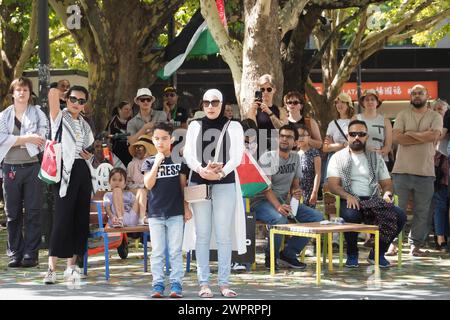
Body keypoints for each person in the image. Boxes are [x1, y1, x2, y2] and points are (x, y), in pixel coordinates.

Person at [183, 89, 246, 298]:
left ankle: (224, 282)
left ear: (222, 103)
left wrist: (220, 173)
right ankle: (203, 283)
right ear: (202, 105)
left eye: (215, 102)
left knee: (223, 235)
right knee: (201, 234)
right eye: (206, 102)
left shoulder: (234, 125)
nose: (210, 106)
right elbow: (188, 154)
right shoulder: (195, 125)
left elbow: (237, 156)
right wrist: (202, 171)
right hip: (199, 182)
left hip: (224, 182)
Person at [327, 120, 407, 268]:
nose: (357, 137)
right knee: (351, 216)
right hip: (350, 198)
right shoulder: (337, 157)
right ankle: (352, 254)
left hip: (373, 199)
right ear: (347, 136)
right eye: (353, 134)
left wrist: (387, 194)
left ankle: (377, 254)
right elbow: (332, 185)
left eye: (361, 134)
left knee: (399, 215)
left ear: (367, 136)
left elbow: (387, 183)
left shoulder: (375, 157)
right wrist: (347, 196)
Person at [251, 124, 323, 270]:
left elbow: (295, 185)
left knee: (317, 218)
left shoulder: (296, 158)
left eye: (289, 137)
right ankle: (271, 258)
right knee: (279, 219)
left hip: (283, 201)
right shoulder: (268, 157)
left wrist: (296, 193)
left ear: (295, 142)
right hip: (261, 201)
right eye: (282, 136)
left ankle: (288, 254)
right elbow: (266, 188)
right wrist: (279, 206)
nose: (284, 139)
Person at [44, 85, 94, 284]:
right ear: (67, 99)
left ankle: (71, 267)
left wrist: (88, 155)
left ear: (85, 105)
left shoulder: (84, 124)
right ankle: (51, 269)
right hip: (64, 171)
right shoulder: (59, 117)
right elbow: (52, 94)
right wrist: (64, 94)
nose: (76, 104)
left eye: (81, 101)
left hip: (82, 170)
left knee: (80, 219)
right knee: (62, 218)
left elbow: (85, 147)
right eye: (73, 99)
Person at [0, 77, 47, 268]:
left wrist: (14, 140)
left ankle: (31, 253)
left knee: (33, 212)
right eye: (18, 90)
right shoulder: (3, 116)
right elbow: (1, 139)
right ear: (13, 93)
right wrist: (27, 137)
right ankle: (15, 253)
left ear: (30, 93)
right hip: (10, 167)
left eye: (25, 90)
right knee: (12, 213)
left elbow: (41, 138)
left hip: (32, 167)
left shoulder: (37, 113)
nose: (21, 93)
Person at [392, 84, 443, 257]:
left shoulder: (435, 116)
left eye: (420, 93)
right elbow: (398, 138)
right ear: (410, 97)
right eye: (414, 93)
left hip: (426, 172)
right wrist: (423, 136)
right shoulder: (402, 114)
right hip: (401, 171)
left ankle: (415, 245)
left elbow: (435, 136)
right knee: (397, 210)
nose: (417, 96)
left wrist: (410, 134)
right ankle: (393, 244)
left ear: (427, 96)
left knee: (422, 211)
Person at [143, 122, 192, 298]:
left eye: (164, 138)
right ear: (152, 140)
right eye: (157, 139)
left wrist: (186, 207)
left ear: (171, 139)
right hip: (156, 213)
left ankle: (176, 284)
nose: (160, 142)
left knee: (175, 251)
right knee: (157, 251)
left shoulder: (179, 161)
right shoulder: (148, 161)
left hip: (175, 212)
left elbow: (183, 186)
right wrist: (157, 163)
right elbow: (148, 184)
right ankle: (157, 284)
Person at [246, 74, 288, 156]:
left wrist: (270, 112)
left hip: (277, 150)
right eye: (262, 89)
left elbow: (284, 130)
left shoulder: (281, 110)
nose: (265, 92)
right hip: (260, 150)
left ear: (274, 90)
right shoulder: (254, 110)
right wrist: (252, 110)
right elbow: (251, 132)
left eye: (269, 89)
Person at [352, 89, 393, 165]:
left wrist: (380, 153)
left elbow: (388, 145)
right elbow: (351, 141)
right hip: (359, 160)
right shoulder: (356, 118)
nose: (370, 102)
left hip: (380, 161)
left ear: (377, 102)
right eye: (367, 100)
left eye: (372, 99)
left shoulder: (385, 121)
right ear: (363, 103)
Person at [431, 99, 449, 252]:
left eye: (441, 109)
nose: (439, 111)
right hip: (437, 170)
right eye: (435, 109)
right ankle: (440, 238)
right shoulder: (431, 126)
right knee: (439, 205)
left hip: (446, 167)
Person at [127, 134, 156, 222]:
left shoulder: (154, 162)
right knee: (141, 191)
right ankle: (142, 218)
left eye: (140, 147)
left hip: (151, 192)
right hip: (135, 193)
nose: (137, 150)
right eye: (136, 147)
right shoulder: (132, 164)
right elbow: (128, 183)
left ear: (147, 149)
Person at [297, 125, 321, 208]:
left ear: (309, 137)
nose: (301, 138)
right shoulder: (295, 154)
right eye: (298, 136)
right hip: (298, 192)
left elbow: (318, 174)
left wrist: (315, 192)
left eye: (303, 135)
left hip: (310, 191)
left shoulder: (314, 152)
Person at [106, 101, 133, 166]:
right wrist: (106, 156)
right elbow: (107, 137)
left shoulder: (133, 122)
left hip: (130, 154)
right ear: (119, 110)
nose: (129, 111)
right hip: (116, 155)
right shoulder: (112, 123)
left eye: (130, 109)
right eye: (126, 109)